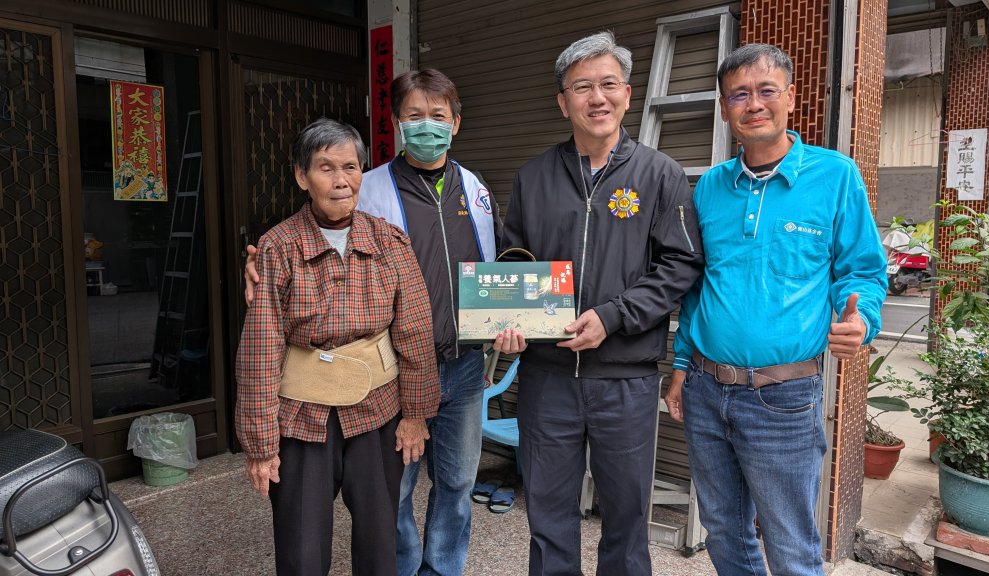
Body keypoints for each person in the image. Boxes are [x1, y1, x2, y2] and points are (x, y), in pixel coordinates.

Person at [245, 70, 507, 576]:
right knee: (391, 495)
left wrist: (517, 326)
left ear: (456, 123)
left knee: (452, 485)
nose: (341, 180)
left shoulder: (473, 190)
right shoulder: (361, 195)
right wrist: (255, 261)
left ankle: (442, 570)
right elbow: (265, 336)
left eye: (438, 116)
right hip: (353, 388)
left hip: (457, 367)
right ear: (396, 124)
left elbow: (500, 270)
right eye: (414, 116)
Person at [664, 44, 887, 576]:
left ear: (791, 97)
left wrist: (860, 319)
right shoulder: (711, 188)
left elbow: (861, 271)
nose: (754, 104)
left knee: (790, 543)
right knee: (724, 531)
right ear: (724, 109)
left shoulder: (835, 176)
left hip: (783, 398)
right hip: (704, 388)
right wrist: (678, 366)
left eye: (766, 91)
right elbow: (699, 287)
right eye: (739, 94)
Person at [493, 32, 704, 576]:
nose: (597, 97)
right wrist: (508, 322)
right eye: (582, 87)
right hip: (547, 376)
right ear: (563, 102)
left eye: (608, 84)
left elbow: (679, 265)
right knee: (547, 513)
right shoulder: (533, 177)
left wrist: (613, 317)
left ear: (628, 95)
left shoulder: (660, 175)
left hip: (625, 381)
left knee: (627, 517)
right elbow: (513, 263)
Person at [235, 118, 440, 576]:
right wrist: (261, 444)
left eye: (350, 166)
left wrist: (415, 414)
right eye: (325, 167)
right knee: (302, 548)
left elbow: (415, 331)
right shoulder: (278, 247)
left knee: (379, 538)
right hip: (303, 416)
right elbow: (261, 349)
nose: (341, 180)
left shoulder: (389, 240)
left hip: (380, 410)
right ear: (301, 176)